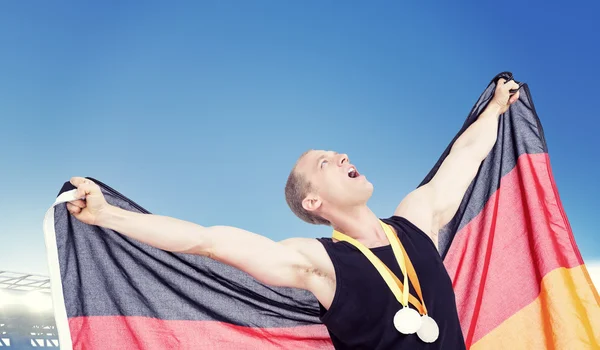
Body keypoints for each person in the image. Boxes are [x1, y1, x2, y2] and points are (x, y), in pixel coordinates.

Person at [66, 78, 521, 349]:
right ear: (313, 203)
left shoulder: (415, 219)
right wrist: (110, 216)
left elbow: (465, 159)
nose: (342, 156)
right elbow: (206, 240)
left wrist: (497, 108)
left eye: (338, 153)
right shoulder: (318, 264)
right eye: (325, 162)